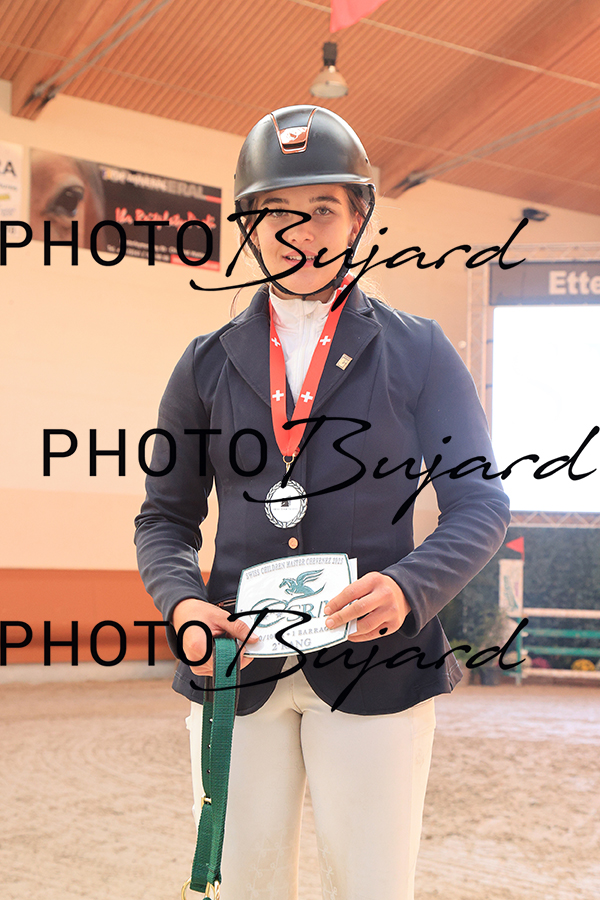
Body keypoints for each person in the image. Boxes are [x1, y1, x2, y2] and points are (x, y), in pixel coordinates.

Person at [135, 105, 510, 900]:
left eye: (321, 210)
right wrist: (183, 605)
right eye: (275, 212)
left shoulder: (420, 350)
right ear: (249, 225)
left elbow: (479, 502)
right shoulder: (202, 365)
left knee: (371, 887)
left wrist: (409, 587)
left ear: (359, 217)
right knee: (245, 889)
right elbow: (165, 518)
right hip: (237, 666)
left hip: (378, 664)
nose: (297, 232)